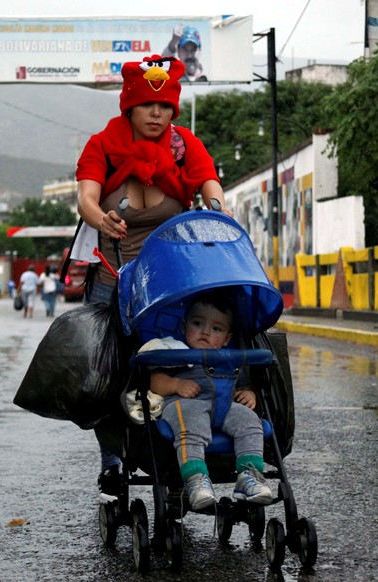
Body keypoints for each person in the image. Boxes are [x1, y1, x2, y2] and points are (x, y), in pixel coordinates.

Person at [75, 55, 225, 495]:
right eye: (147, 106)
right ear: (129, 108)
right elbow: (86, 196)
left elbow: (208, 182)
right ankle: (111, 460)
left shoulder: (184, 145)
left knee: (178, 361)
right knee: (103, 374)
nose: (157, 114)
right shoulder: (102, 143)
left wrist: (217, 208)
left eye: (165, 107)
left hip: (170, 281)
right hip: (111, 278)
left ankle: (184, 446)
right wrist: (99, 219)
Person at [143, 292, 273, 510]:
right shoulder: (175, 352)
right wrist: (176, 385)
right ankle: (196, 480)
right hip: (184, 406)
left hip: (223, 406)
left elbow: (243, 383)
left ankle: (249, 476)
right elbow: (154, 382)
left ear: (227, 338)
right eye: (197, 323)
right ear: (184, 325)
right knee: (191, 426)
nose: (205, 331)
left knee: (251, 421)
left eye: (216, 329)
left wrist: (249, 393)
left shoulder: (229, 359)